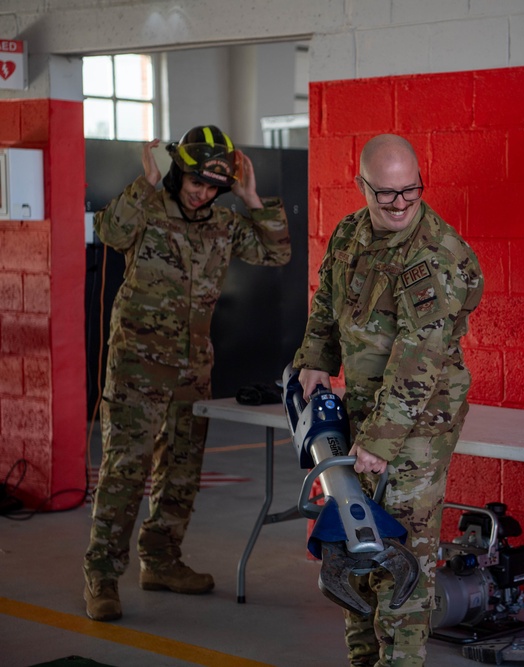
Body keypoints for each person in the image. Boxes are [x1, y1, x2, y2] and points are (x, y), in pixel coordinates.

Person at [83, 125, 291, 622]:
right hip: (136, 367)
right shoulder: (148, 209)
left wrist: (252, 197)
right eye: (196, 182)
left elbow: (276, 252)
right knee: (124, 474)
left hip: (192, 369)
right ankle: (102, 576)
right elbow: (109, 233)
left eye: (213, 188)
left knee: (181, 473)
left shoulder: (223, 222)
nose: (202, 194)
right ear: (179, 170)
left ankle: (161, 560)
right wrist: (146, 181)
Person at [293, 133, 483, 667]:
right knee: (354, 544)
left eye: (411, 191)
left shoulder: (435, 258)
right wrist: (315, 358)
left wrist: (378, 441)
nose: (400, 204)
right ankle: (363, 660)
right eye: (387, 194)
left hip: (417, 423)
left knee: (403, 555)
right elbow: (327, 300)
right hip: (361, 409)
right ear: (362, 187)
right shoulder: (352, 233)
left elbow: (416, 360)